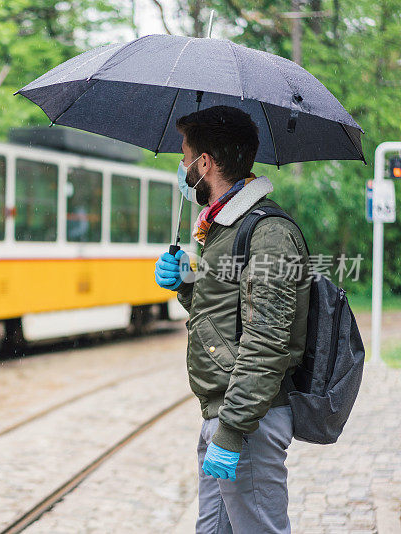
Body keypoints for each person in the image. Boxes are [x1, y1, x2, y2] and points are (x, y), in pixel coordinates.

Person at [153, 106, 311, 533]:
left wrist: (232, 431)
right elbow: (227, 318)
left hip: (247, 423)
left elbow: (266, 341)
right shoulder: (224, 227)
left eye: (186, 157)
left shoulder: (268, 232)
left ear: (205, 164)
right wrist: (187, 286)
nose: (183, 168)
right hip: (223, 415)